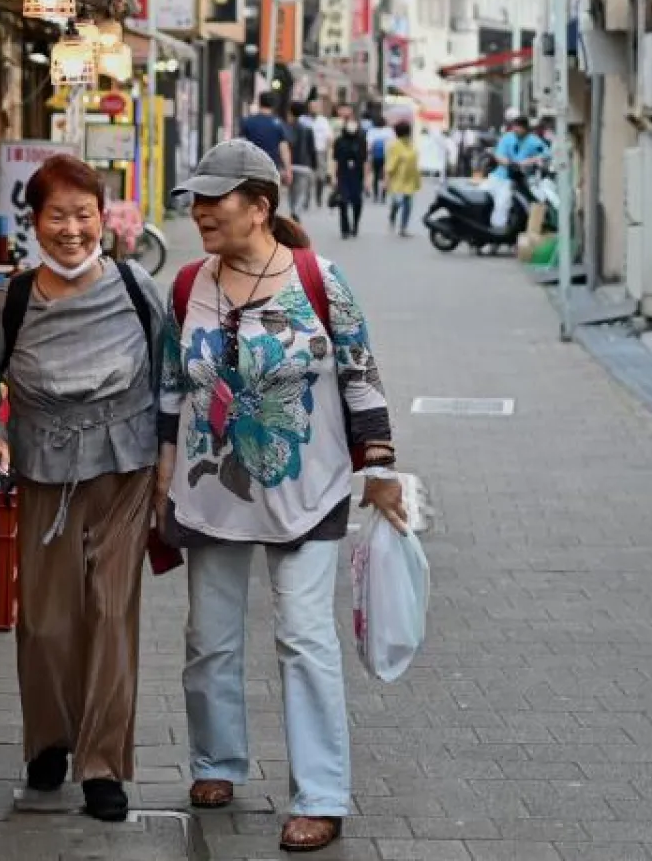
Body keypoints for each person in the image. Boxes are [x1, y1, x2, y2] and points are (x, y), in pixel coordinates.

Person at [155, 139, 406, 854]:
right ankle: (216, 760)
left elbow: (360, 371)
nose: (201, 212)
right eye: (196, 201)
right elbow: (171, 385)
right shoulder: (188, 285)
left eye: (216, 200)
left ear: (260, 206)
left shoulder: (319, 279)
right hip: (211, 490)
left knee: (304, 636)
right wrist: (161, 475)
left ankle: (320, 795)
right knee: (209, 637)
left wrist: (380, 468)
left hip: (308, 487)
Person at [0, 154, 163, 824]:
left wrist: (169, 462)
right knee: (46, 621)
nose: (72, 229)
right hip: (44, 468)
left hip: (124, 468)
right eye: (57, 216)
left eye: (84, 214)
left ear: (104, 218)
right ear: (34, 221)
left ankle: (102, 764)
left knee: (110, 613)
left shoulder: (136, 286)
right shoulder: (12, 299)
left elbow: (170, 376)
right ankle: (48, 738)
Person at [488, 115, 548, 229]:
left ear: (525, 128)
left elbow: (546, 153)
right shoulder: (507, 138)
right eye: (514, 127)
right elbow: (499, 155)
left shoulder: (533, 141)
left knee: (516, 203)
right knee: (499, 201)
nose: (516, 129)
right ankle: (496, 228)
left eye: (519, 127)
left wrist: (531, 160)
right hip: (502, 177)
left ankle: (501, 228)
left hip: (523, 179)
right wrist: (510, 164)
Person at [239, 91, 293, 187]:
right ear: (274, 105)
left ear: (259, 102)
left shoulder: (248, 121)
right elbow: (284, 148)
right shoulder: (278, 124)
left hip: (251, 166)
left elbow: (241, 145)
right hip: (271, 167)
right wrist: (288, 170)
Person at [332, 105, 366, 239]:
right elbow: (335, 159)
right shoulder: (339, 141)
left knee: (357, 202)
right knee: (343, 202)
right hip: (343, 174)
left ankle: (355, 224)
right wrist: (333, 177)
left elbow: (365, 161)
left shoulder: (361, 140)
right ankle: (344, 229)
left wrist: (368, 179)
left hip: (357, 175)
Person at [385, 120, 422, 236]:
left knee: (408, 204)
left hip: (410, 180)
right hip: (398, 179)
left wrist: (417, 179)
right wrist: (387, 179)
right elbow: (390, 164)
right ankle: (392, 215)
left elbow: (415, 162)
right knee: (398, 202)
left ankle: (403, 228)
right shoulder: (394, 146)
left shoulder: (411, 145)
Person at [415, 122, 455, 220]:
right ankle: (428, 215)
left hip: (444, 179)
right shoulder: (445, 141)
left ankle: (429, 214)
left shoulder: (446, 141)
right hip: (443, 180)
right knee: (440, 198)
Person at [286, 101, 318, 218]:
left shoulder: (286, 128)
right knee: (301, 190)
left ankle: (293, 210)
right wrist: (314, 165)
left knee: (291, 191)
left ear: (291, 112)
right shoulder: (308, 129)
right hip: (305, 165)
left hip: (290, 164)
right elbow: (312, 149)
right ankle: (296, 212)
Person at [305, 97, 334, 208]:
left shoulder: (323, 121)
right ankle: (306, 199)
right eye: (312, 107)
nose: (314, 109)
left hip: (320, 151)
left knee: (321, 177)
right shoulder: (304, 120)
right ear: (308, 108)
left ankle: (319, 197)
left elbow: (329, 137)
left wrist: (329, 152)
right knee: (308, 177)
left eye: (316, 107)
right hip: (307, 152)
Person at [365, 119, 394, 203]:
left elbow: (369, 145)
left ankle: (375, 195)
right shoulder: (389, 131)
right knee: (386, 175)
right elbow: (393, 144)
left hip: (375, 156)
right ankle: (383, 195)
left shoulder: (371, 131)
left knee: (375, 175)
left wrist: (368, 155)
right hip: (386, 156)